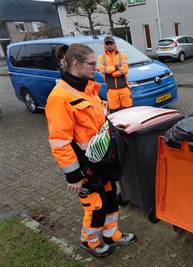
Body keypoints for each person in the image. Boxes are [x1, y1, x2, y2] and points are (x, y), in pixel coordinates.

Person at [45, 43, 136, 257]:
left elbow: (97, 120)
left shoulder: (87, 88)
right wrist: (73, 175)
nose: (96, 67)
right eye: (92, 64)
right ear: (76, 64)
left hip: (101, 160)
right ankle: (90, 241)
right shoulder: (60, 97)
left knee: (110, 197)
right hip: (84, 165)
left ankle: (110, 233)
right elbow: (59, 141)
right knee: (96, 204)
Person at [98, 36, 132, 113]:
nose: (109, 45)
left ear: (114, 44)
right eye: (107, 44)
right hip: (111, 90)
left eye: (111, 43)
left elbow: (125, 69)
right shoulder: (101, 57)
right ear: (104, 45)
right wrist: (115, 67)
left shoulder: (121, 55)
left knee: (129, 111)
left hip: (124, 88)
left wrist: (113, 74)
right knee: (114, 113)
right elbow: (102, 70)